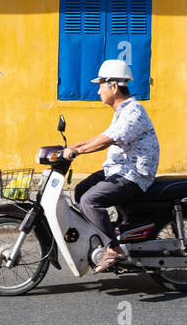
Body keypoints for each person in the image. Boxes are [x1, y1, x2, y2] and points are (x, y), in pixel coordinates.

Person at [61, 59, 160, 273]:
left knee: (90, 201)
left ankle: (113, 248)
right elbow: (103, 136)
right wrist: (70, 147)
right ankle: (105, 232)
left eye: (100, 85)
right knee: (81, 190)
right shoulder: (121, 111)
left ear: (114, 87)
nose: (98, 91)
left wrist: (78, 152)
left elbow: (107, 140)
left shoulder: (134, 111)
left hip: (134, 175)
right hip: (119, 169)